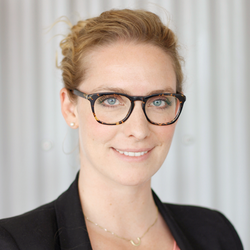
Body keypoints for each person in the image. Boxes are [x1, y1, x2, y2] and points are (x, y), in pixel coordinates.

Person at [0, 9, 243, 250]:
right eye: (111, 100)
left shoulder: (215, 233)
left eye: (158, 101)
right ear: (70, 108)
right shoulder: (14, 242)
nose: (138, 130)